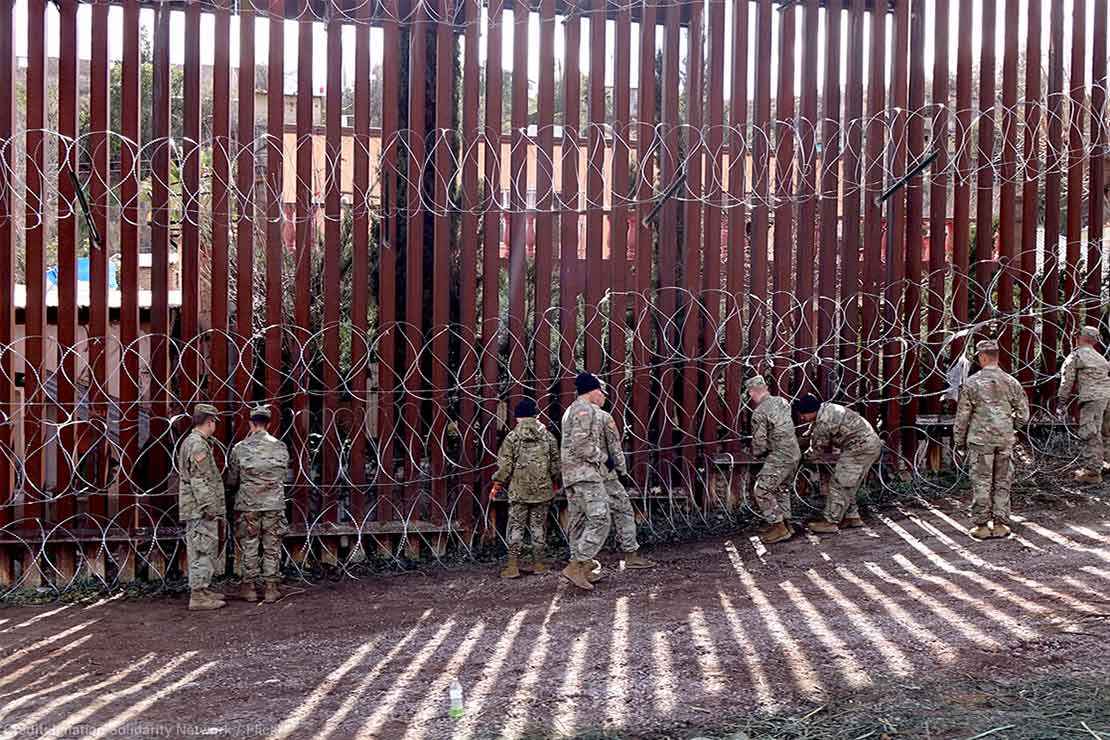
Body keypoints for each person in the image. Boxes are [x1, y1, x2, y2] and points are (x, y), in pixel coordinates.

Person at [953, 339, 1030, 540]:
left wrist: (959, 442)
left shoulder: (972, 383)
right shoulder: (1011, 382)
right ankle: (1001, 524)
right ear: (997, 356)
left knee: (981, 481)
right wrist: (1011, 427)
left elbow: (962, 417)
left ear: (983, 357)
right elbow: (1023, 414)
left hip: (980, 441)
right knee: (1003, 481)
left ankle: (981, 526)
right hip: (1004, 439)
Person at [226, 405, 290, 603]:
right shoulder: (280, 446)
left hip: (248, 504)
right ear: (269, 424)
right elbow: (283, 474)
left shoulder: (240, 448)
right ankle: (271, 588)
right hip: (274, 504)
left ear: (251, 423)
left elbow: (232, 480)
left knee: (250, 544)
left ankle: (249, 588)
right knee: (272, 545)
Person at [491, 398, 560, 579]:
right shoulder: (548, 436)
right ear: (536, 415)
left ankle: (512, 566)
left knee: (516, 527)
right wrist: (555, 482)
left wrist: (497, 485)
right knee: (538, 526)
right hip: (542, 491)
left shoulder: (512, 437)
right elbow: (555, 465)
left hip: (518, 492)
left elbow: (505, 467)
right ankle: (539, 564)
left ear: (518, 417)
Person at [793, 394, 881, 534]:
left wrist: (798, 459)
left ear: (812, 411)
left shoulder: (824, 422)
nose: (802, 418)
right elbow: (810, 435)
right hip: (867, 446)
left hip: (860, 448)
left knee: (840, 483)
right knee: (848, 483)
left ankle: (830, 522)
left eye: (803, 414)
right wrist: (796, 442)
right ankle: (852, 517)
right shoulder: (825, 410)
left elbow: (816, 451)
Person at [560, 372, 611, 590]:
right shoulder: (584, 409)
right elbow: (581, 445)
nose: (603, 396)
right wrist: (604, 459)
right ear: (594, 390)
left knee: (579, 522)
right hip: (585, 474)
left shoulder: (570, 409)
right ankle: (577, 564)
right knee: (601, 518)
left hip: (572, 476)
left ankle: (584, 568)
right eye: (601, 391)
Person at [177, 403, 226, 611]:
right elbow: (199, 480)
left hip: (195, 506)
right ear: (209, 422)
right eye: (214, 422)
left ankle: (203, 589)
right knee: (201, 550)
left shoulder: (194, 441)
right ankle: (198, 596)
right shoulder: (197, 444)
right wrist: (209, 506)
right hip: (200, 508)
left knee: (202, 548)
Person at [599, 406, 656, 571]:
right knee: (624, 509)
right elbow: (614, 447)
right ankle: (631, 555)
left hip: (579, 476)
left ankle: (581, 562)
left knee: (584, 515)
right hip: (604, 474)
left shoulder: (571, 415)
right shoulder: (602, 416)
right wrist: (622, 471)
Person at [746, 375, 802, 545]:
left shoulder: (759, 412)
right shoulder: (782, 401)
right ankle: (786, 524)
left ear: (752, 392)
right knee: (781, 488)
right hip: (794, 452)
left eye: (750, 393)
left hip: (780, 454)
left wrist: (755, 453)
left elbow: (760, 443)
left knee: (761, 489)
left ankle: (778, 528)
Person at [1057, 325, 1110, 484]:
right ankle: (1106, 463)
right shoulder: (1100, 357)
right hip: (1108, 395)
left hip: (1093, 398)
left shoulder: (1077, 356)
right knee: (1106, 432)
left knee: (1090, 432)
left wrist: (1061, 402)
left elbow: (1067, 381)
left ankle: (1092, 472)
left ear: (1079, 337)